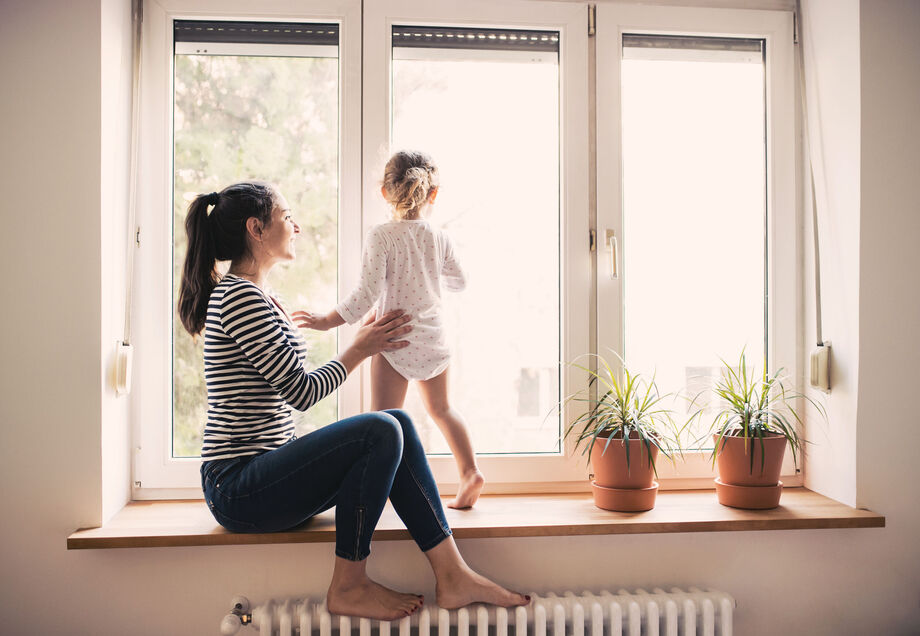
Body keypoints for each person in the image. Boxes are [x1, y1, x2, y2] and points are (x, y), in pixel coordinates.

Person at [177, 181, 528, 620]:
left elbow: (286, 383)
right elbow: (301, 391)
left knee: (395, 421)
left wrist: (361, 339)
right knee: (380, 428)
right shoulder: (240, 297)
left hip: (263, 474)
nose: (296, 225)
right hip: (237, 487)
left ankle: (452, 573)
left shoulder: (261, 296)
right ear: (256, 229)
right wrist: (360, 348)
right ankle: (349, 584)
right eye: (287, 217)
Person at [298, 151, 484, 509]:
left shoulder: (381, 236)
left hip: (392, 338)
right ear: (433, 194)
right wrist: (428, 272)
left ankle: (377, 492)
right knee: (443, 410)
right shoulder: (439, 237)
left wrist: (325, 320)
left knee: (380, 423)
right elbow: (459, 282)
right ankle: (470, 472)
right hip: (433, 338)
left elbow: (365, 295)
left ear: (384, 192)